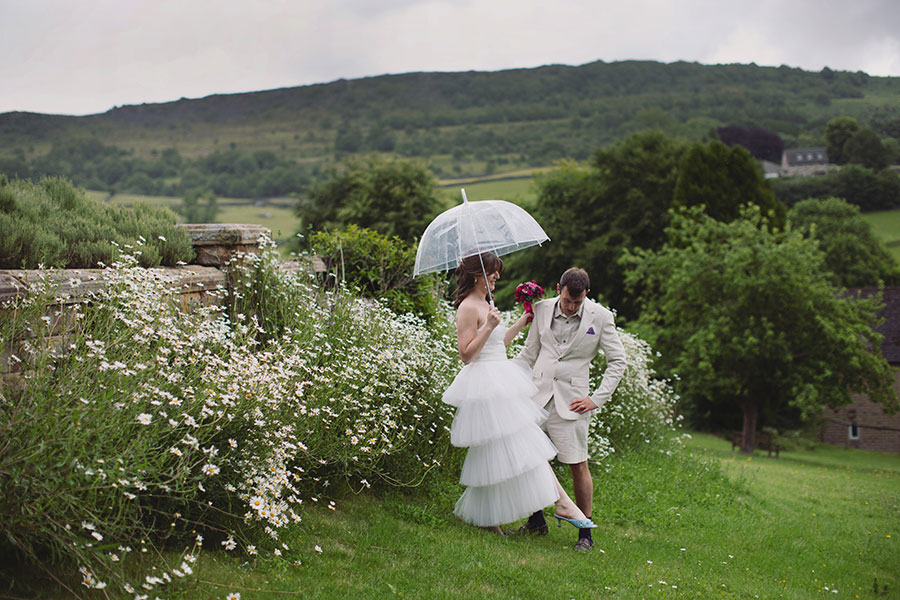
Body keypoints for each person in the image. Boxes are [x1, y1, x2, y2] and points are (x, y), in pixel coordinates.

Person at [442, 253, 596, 535]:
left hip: (500, 377)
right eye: (492, 272)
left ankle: (491, 522)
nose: (497, 277)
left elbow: (497, 344)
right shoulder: (467, 307)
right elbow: (466, 355)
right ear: (478, 274)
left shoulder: (485, 303)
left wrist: (521, 323)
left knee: (493, 453)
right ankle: (561, 502)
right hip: (486, 384)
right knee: (525, 443)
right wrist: (488, 326)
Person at [512, 267, 626, 551]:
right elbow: (529, 352)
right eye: (567, 300)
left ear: (586, 294)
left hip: (573, 402)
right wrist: (502, 378)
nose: (571, 306)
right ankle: (537, 520)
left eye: (577, 302)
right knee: (531, 460)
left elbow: (618, 362)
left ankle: (585, 533)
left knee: (578, 464)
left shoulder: (601, 317)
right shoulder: (540, 308)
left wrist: (596, 398)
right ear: (558, 288)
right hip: (536, 397)